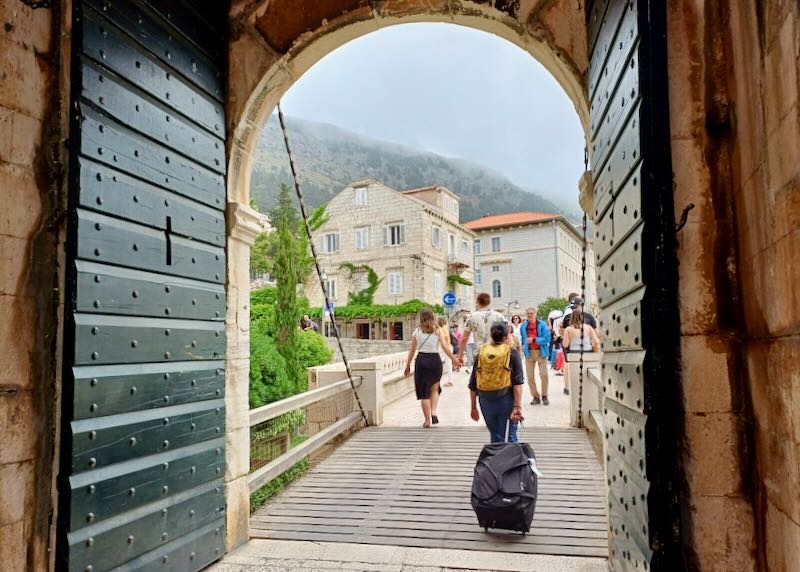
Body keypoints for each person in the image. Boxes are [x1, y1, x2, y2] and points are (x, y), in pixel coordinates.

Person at [404, 309, 461, 428]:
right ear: (432, 317)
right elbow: (445, 347)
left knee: (424, 393)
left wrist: (408, 365)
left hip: (422, 361)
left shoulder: (417, 331)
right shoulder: (437, 330)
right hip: (435, 361)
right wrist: (454, 359)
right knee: (434, 388)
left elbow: (412, 350)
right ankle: (434, 411)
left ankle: (427, 421)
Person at [469, 323, 524, 443]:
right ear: (505, 337)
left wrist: (473, 407)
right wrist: (517, 406)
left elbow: (473, 383)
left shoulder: (482, 353)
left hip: (485, 399)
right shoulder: (512, 353)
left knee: (495, 437)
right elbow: (517, 383)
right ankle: (511, 460)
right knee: (510, 436)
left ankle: (497, 460)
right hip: (506, 399)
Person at [459, 293, 506, 371]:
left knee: (480, 380)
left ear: (477, 301)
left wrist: (460, 356)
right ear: (489, 302)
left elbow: (464, 338)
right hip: (497, 353)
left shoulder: (471, 317)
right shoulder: (499, 316)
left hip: (480, 353)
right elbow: (506, 336)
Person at [520, 307, 552, 405]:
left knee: (544, 374)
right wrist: (523, 347)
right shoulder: (523, 326)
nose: (529, 315)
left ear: (535, 314)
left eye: (531, 313)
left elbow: (547, 339)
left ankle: (545, 395)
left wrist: (534, 340)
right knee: (530, 377)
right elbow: (523, 338)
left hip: (541, 352)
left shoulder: (542, 325)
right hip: (529, 353)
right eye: (528, 313)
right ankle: (535, 396)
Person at [438, 317, 455, 387]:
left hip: (447, 348)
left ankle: (450, 381)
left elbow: (447, 338)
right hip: (446, 348)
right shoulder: (443, 328)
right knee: (448, 364)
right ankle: (449, 380)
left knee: (448, 365)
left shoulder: (444, 328)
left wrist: (447, 347)